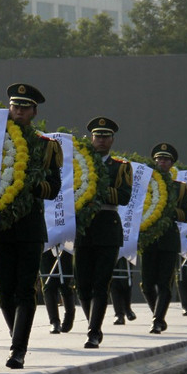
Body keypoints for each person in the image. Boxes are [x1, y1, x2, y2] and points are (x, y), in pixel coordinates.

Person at [0, 83, 62, 369]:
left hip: (30, 226)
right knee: (3, 289)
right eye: (14, 106)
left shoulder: (46, 146)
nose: (18, 111)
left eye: (24, 107)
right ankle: (15, 335)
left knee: (25, 288)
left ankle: (18, 349)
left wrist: (29, 185)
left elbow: (54, 188)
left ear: (34, 112)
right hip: (0, 226)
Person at [74, 117, 132, 348]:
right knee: (82, 283)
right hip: (83, 227)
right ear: (91, 138)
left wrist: (94, 189)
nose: (100, 140)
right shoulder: (81, 163)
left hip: (107, 225)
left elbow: (124, 196)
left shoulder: (120, 166)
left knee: (101, 282)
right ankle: (92, 323)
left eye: (105, 136)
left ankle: (94, 331)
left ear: (112, 140)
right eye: (97, 136)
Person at [139, 143, 187, 334]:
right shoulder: (146, 185)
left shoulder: (180, 189)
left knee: (164, 282)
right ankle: (158, 315)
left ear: (171, 164)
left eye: (166, 159)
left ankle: (157, 320)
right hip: (149, 238)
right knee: (146, 284)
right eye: (159, 159)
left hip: (169, 239)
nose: (162, 162)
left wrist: (168, 211)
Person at [40, 249, 75, 334]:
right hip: (46, 247)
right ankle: (55, 322)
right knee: (48, 284)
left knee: (65, 283)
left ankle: (69, 317)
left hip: (65, 244)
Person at [110, 258, 137, 325]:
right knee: (113, 279)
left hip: (126, 250)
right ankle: (119, 314)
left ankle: (127, 308)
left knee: (125, 278)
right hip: (110, 248)